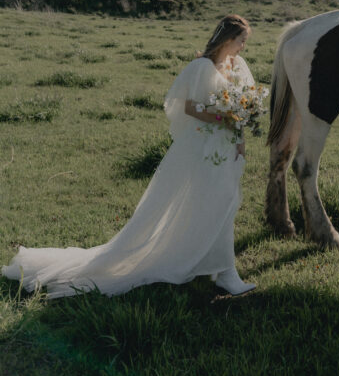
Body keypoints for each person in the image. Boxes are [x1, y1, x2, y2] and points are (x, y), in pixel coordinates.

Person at [2, 15, 256, 298]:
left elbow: (244, 110)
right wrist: (223, 116)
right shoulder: (201, 67)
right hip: (204, 149)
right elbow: (188, 107)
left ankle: (211, 263)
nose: (244, 47)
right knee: (214, 203)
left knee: (226, 203)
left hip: (228, 146)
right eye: (242, 40)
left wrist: (239, 137)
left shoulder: (238, 66)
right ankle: (225, 273)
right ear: (228, 39)